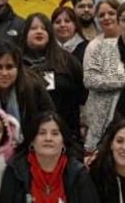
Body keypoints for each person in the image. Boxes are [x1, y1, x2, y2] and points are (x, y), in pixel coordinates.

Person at [82, 0, 125, 152]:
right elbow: (89, 79)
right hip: (104, 122)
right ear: (119, 23)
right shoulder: (103, 48)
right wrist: (123, 79)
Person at [20, 13, 86, 142]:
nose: (39, 31)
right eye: (33, 28)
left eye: (44, 28)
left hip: (66, 133)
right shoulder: (17, 63)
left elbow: (82, 94)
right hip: (27, 134)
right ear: (25, 33)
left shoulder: (67, 60)